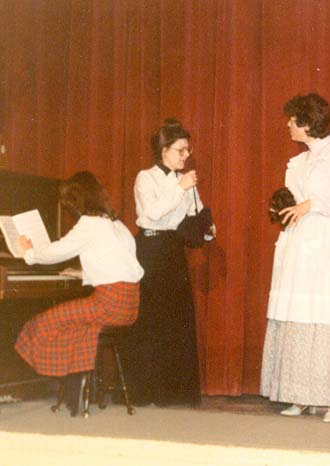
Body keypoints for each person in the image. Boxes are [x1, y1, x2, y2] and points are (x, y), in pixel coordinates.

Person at [260, 93, 330, 423]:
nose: (288, 125)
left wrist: (310, 205)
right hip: (299, 246)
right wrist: (285, 208)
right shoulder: (298, 162)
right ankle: (300, 395)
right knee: (299, 317)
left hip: (326, 248)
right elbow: (296, 202)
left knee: (324, 318)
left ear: (307, 123)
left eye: (292, 120)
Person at [14, 171, 144, 416]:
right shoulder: (117, 225)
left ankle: (45, 381)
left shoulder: (90, 224)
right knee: (80, 327)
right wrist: (84, 274)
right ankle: (76, 389)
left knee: (44, 321)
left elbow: (58, 251)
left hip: (108, 303)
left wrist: (28, 253)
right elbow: (121, 265)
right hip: (128, 305)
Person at [123, 118, 213, 406]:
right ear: (164, 150)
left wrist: (207, 229)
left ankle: (173, 393)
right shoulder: (146, 177)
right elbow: (152, 213)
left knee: (176, 319)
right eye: (180, 150)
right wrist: (180, 188)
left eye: (187, 150)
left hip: (174, 250)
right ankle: (146, 391)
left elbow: (192, 215)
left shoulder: (183, 180)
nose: (186, 155)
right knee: (152, 320)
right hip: (151, 250)